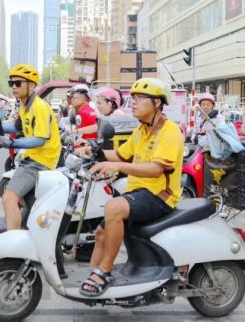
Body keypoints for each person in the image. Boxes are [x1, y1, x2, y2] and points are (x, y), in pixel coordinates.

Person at [77, 78, 183, 297]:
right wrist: (93, 152)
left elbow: (155, 169)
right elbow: (119, 154)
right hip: (138, 192)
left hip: (160, 195)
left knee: (114, 207)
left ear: (157, 103)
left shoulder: (169, 131)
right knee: (100, 234)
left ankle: (104, 271)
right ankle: (92, 274)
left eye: (140, 98)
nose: (133, 103)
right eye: (133, 98)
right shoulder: (141, 130)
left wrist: (114, 165)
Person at [0, 64, 61, 230]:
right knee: (20, 198)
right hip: (32, 157)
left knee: (9, 197)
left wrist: (11, 143)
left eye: (18, 83)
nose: (14, 86)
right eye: (11, 83)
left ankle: (12, 246)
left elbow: (40, 139)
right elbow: (17, 126)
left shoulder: (39, 107)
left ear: (32, 85)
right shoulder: (25, 105)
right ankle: (24, 226)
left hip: (41, 159)